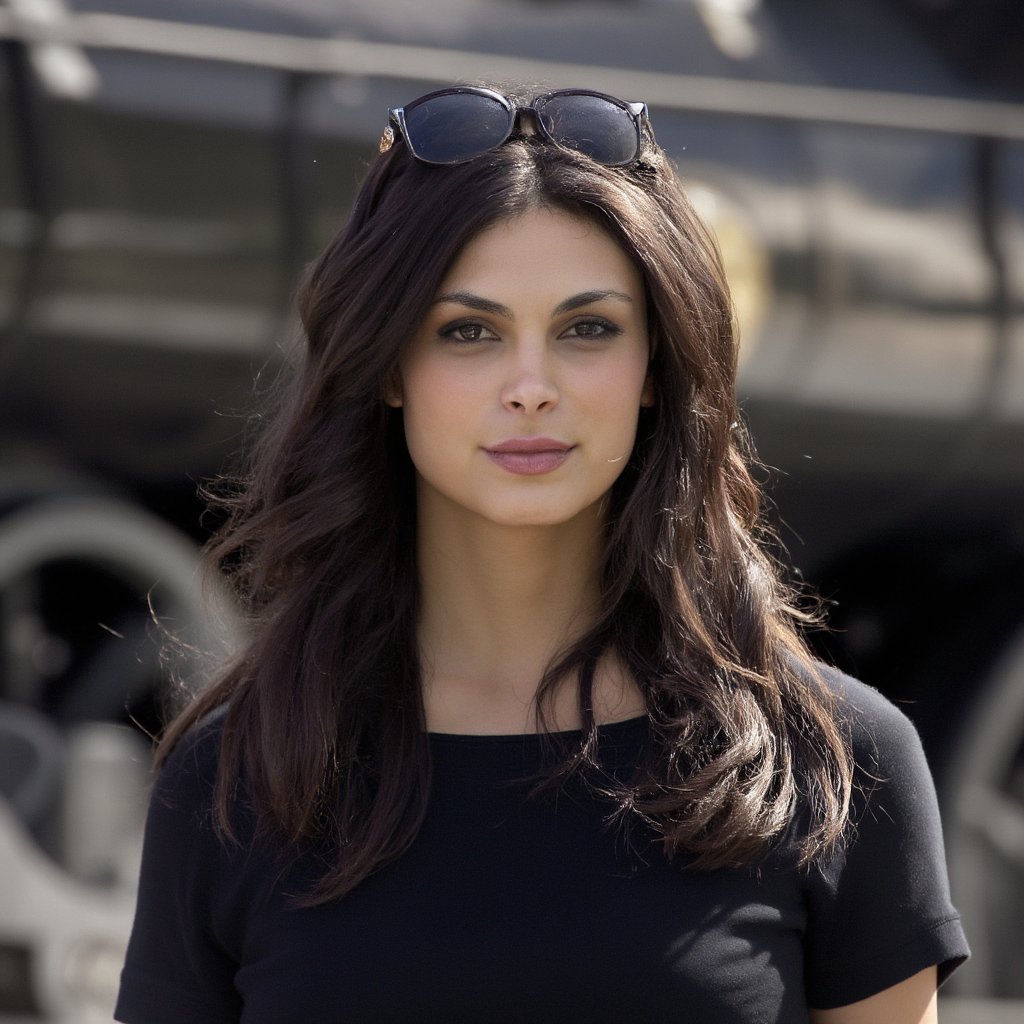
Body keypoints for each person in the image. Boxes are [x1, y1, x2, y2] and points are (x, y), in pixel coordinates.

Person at [115, 85, 968, 1023]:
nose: (531, 387)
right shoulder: (240, 773)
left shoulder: (834, 762)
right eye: (467, 331)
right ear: (389, 369)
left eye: (587, 329)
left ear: (656, 368)